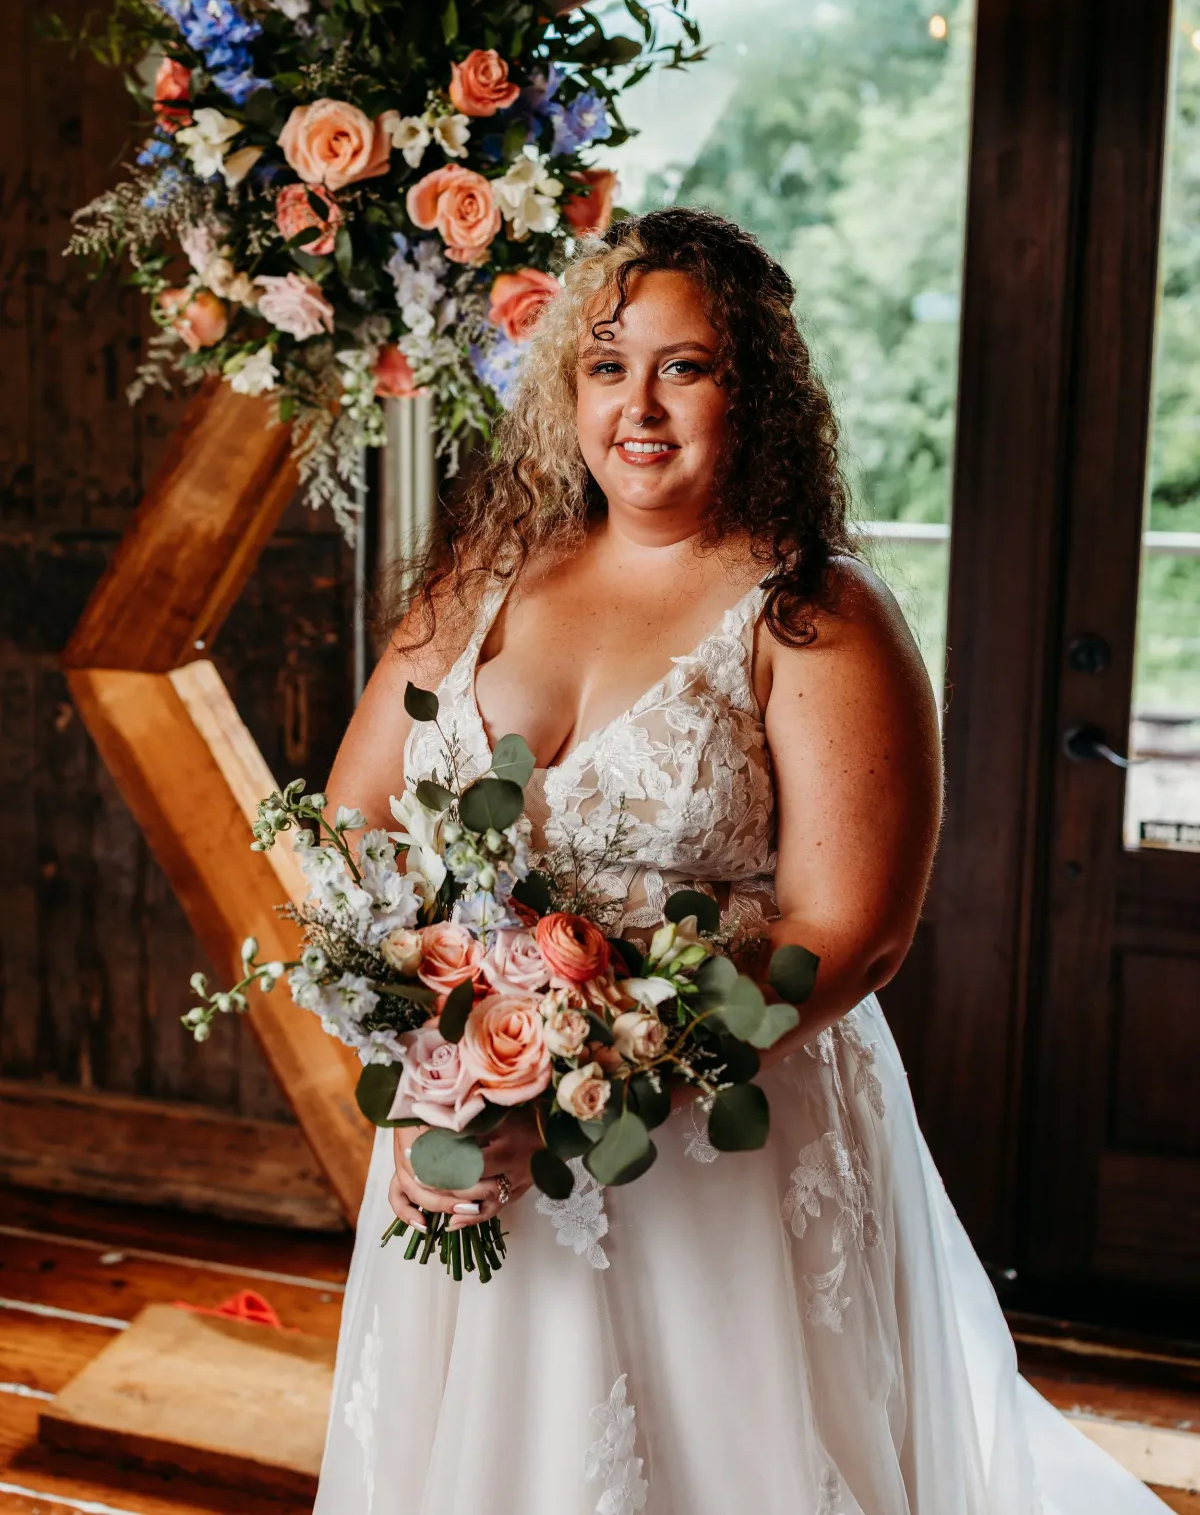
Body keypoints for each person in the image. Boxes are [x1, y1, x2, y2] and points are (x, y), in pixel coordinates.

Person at [315, 209, 1162, 1513]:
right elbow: (355, 826)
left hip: (712, 1161)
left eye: (684, 366)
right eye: (606, 365)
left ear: (752, 391)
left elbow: (855, 929)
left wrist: (604, 1069)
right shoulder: (484, 581)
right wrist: (439, 1061)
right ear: (568, 388)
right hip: (469, 1154)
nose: (637, 407)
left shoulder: (814, 616)